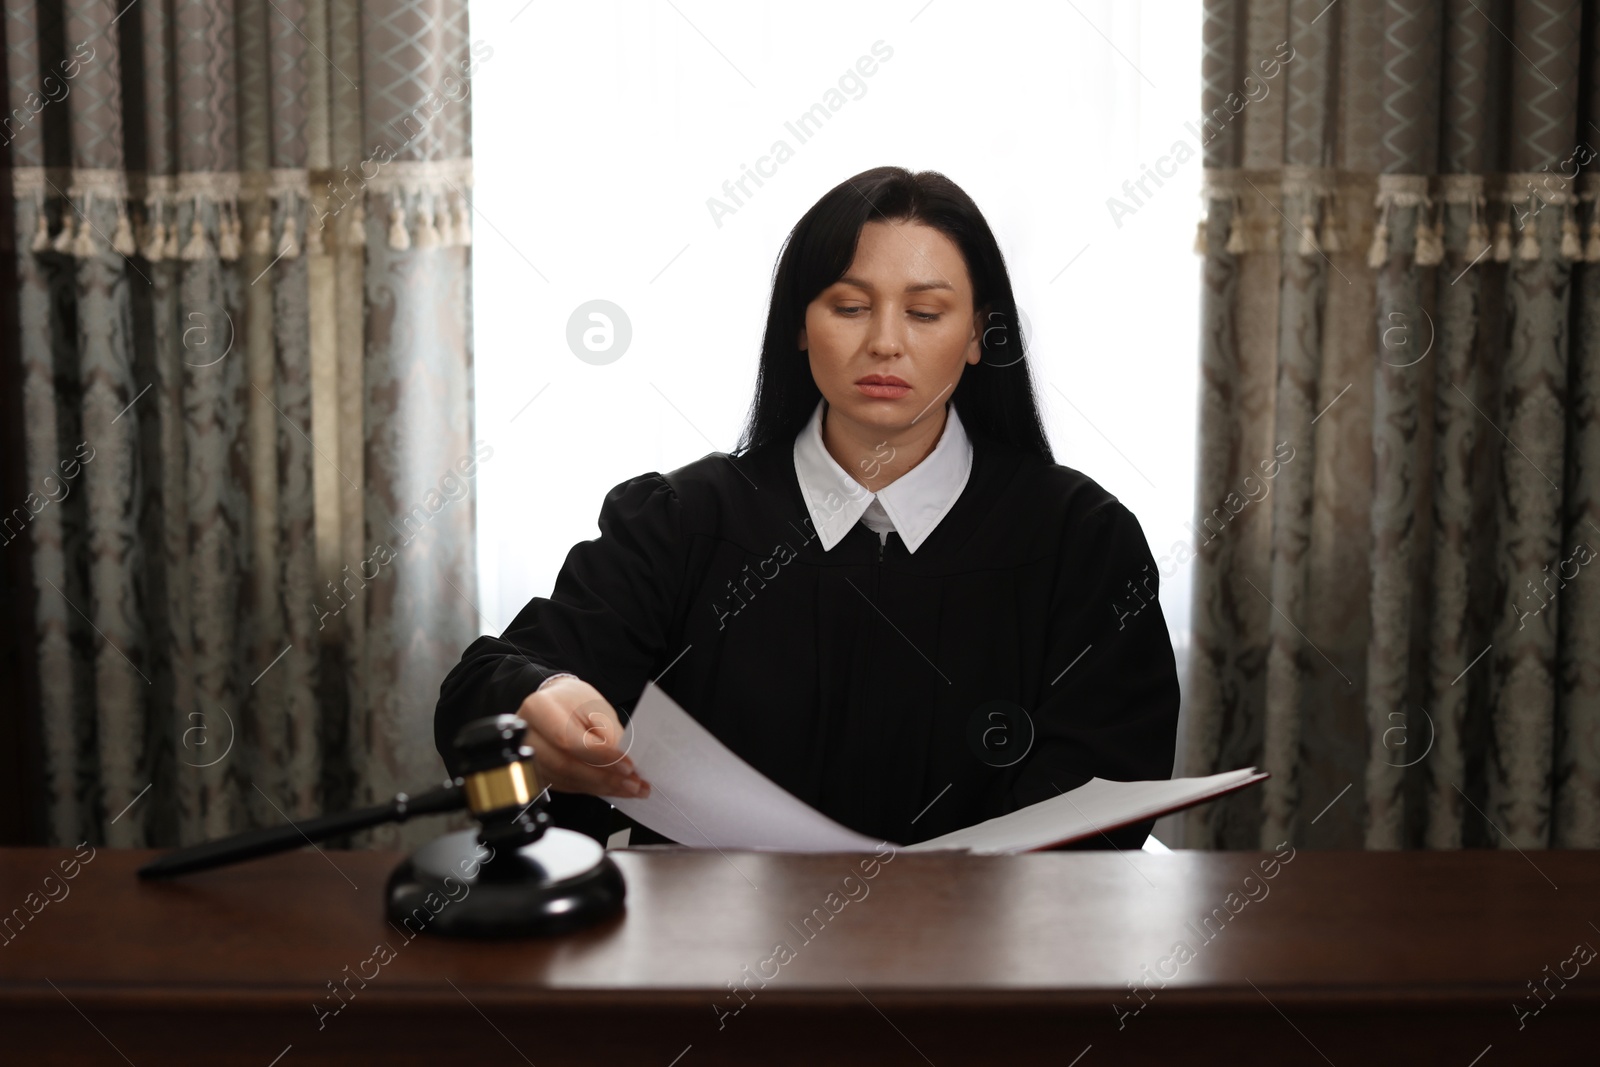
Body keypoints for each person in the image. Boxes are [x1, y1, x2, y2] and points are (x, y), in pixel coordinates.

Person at [434, 165, 1179, 850]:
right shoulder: (680, 522)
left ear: (981, 336)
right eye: (850, 306)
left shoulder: (1082, 541)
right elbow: (490, 680)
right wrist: (544, 697)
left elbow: (1103, 797)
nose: (885, 342)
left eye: (925, 312)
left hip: (982, 968)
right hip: (712, 967)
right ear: (799, 324)